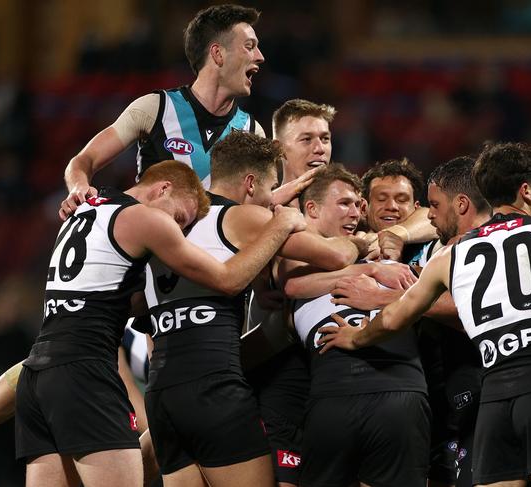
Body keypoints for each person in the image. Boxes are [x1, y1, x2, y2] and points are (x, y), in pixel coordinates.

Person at [319, 142, 531, 487]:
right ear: (525, 191)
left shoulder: (450, 256)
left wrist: (355, 338)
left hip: (492, 402)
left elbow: (392, 319)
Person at [15, 160, 306, 487]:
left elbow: (115, 297)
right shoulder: (145, 219)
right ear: (163, 188)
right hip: (87, 373)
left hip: (38, 374)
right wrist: (281, 224)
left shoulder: (83, 210)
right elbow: (227, 280)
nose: (178, 230)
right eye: (180, 218)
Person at [140, 132, 367, 487]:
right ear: (250, 184)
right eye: (271, 187)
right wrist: (358, 241)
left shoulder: (167, 225)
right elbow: (335, 256)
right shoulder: (241, 217)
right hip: (214, 385)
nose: (271, 200)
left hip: (161, 390)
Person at [332, 156, 491, 487]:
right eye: (381, 198)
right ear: (363, 206)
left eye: (403, 200)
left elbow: (468, 312)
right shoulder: (350, 246)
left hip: (454, 388)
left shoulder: (445, 246)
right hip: (390, 400)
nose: (392, 206)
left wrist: (397, 235)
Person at [279, 164, 430, 487]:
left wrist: (395, 237)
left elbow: (430, 216)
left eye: (358, 204)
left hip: (398, 385)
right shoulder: (296, 248)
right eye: (345, 204)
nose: (355, 212)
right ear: (311, 209)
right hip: (334, 388)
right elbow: (291, 285)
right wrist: (371, 272)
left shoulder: (393, 249)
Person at [60, 4, 274, 220]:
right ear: (217, 54)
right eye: (249, 46)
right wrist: (79, 187)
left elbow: (260, 209)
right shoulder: (155, 108)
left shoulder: (252, 132)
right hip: (151, 248)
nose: (260, 56)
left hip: (214, 253)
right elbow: (84, 160)